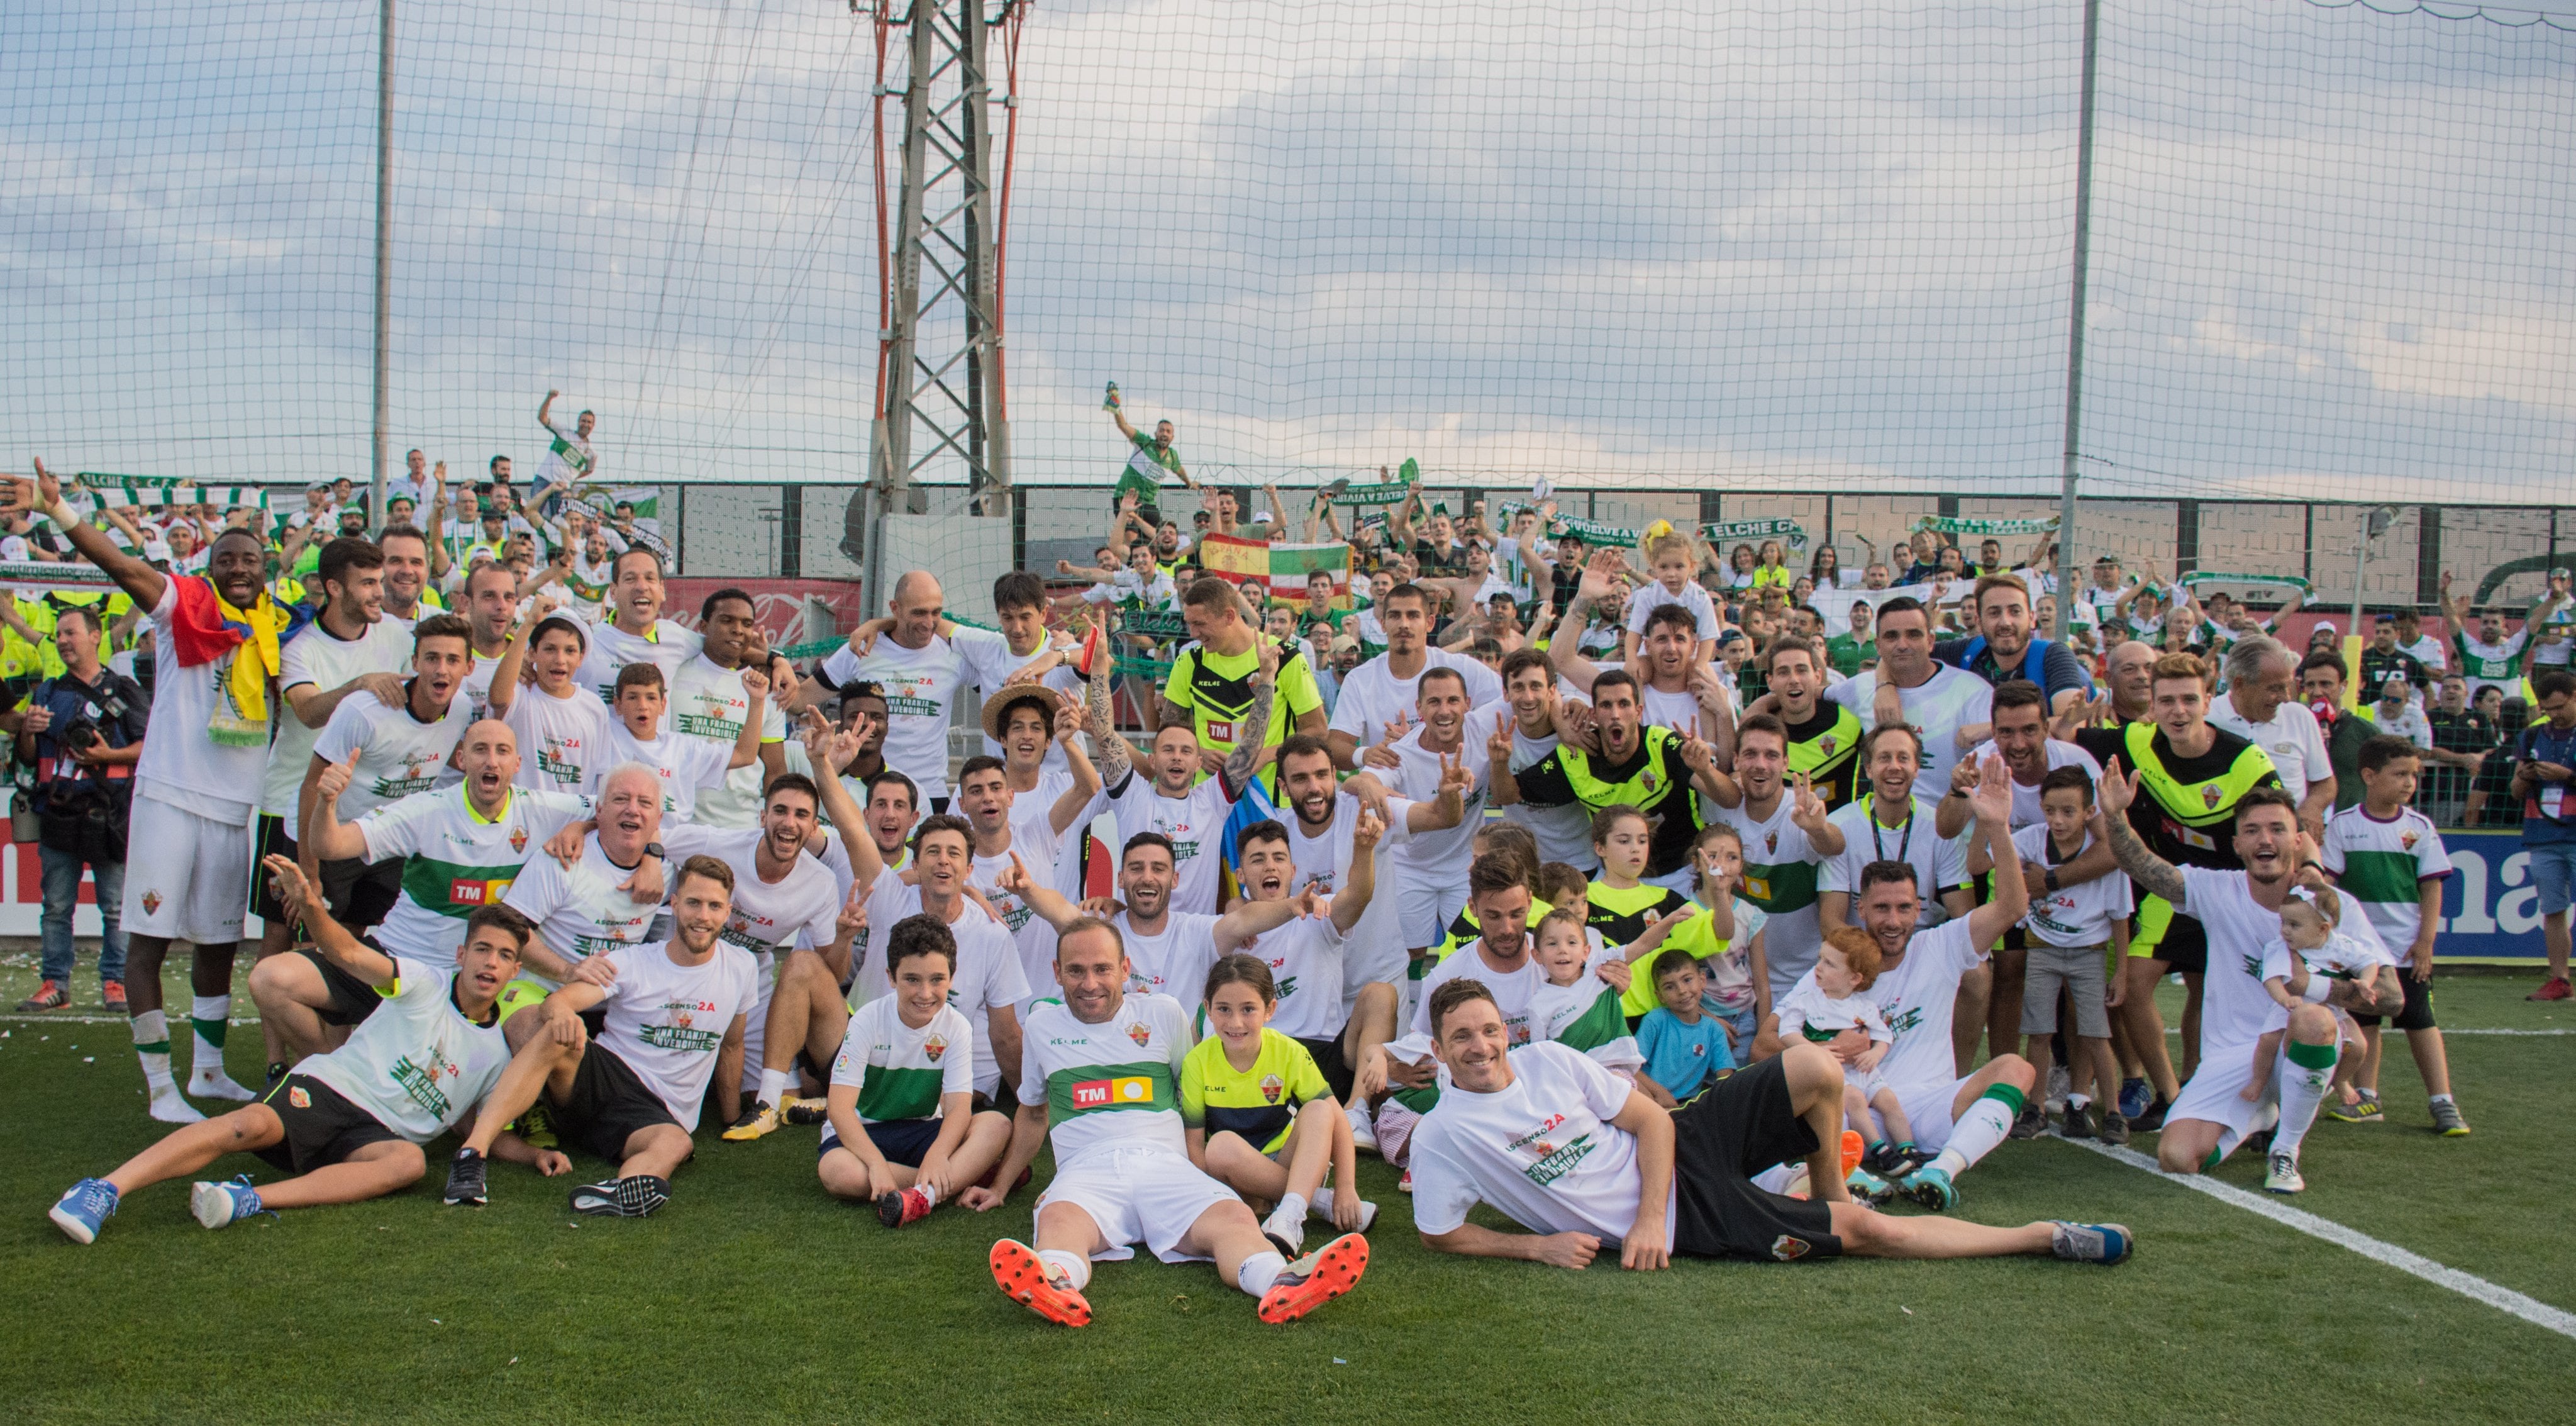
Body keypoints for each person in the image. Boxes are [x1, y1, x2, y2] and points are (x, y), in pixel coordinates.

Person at [1406, 979, 2133, 1269]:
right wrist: (1533, 1246)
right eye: (1462, 1038)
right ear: (1438, 1050)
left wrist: (1647, 1217)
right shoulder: (1445, 1132)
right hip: (1698, 1217)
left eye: (1490, 1029)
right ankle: (2043, 1234)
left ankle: (1832, 1187)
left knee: (1818, 1066)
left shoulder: (1550, 1060)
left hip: (1677, 1153)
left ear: (1509, 1029)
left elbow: (1653, 1125)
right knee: (1870, 1236)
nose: (1480, 1047)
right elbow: (1439, 1231)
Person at [49, 861, 558, 1244]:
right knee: (246, 1127)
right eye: (483, 949)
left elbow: (474, 1126)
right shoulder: (424, 982)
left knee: (408, 1163)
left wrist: (535, 1153)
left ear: (516, 972)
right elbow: (350, 953)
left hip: (377, 1138)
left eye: (506, 956)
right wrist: (313, 908)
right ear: (461, 955)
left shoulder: (497, 1052)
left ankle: (245, 1199)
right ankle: (103, 1190)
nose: (492, 962)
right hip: (334, 1092)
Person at [965, 916, 1372, 1327]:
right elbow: (1034, 1113)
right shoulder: (1041, 1026)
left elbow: (1194, 1089)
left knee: (1234, 1219)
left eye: (1102, 968)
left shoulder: (1163, 1013)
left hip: (1167, 1165)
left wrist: (1229, 1175)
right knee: (1057, 1219)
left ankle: (1280, 1281)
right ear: (1057, 972)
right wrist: (1001, 1186)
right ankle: (1056, 1282)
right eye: (1076, 970)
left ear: (1125, 968)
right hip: (1086, 1170)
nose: (1090, 982)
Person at [33, 459, 270, 1121]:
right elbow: (125, 568)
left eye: (250, 558)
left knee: (220, 942)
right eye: (227, 559)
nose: (240, 569)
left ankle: (213, 1071)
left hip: (231, 808)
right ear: (210, 567)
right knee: (149, 942)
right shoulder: (180, 608)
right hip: (168, 796)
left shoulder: (274, 630)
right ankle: (162, 1087)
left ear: (264, 567)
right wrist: (62, 513)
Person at [2098, 776, 2397, 1193]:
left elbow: (2393, 997)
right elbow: (2147, 869)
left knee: (2313, 1019)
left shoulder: (2335, 906)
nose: (2265, 839)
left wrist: (2314, 987)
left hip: (2302, 1044)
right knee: (2177, 1157)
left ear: (2298, 840)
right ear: (2238, 844)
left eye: (2277, 829)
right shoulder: (2220, 890)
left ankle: (2286, 1150)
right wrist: (2115, 815)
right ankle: (2260, 1115)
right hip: (2233, 1055)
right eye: (2252, 830)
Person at [441, 855, 758, 1216]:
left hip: (655, 1117)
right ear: (674, 905)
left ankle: (618, 1193)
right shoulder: (634, 962)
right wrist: (560, 1014)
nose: (703, 916)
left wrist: (732, 1120)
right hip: (604, 1081)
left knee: (677, 1142)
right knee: (539, 1024)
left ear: (728, 911)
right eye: (693, 903)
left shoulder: (742, 967)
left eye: (715, 906)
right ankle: (472, 1154)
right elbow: (562, 1000)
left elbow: (732, 1045)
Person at [278, 720, 592, 1066]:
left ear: (517, 764)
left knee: (546, 1036)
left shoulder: (543, 810)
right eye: (480, 750)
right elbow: (328, 845)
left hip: (478, 979)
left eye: (502, 751)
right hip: (399, 963)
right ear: (461, 759)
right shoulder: (427, 810)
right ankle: (336, 1074)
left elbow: (620, 807)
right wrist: (326, 803)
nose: (492, 761)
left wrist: (584, 826)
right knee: (272, 981)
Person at [1806, 754, 2033, 1209]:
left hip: (1932, 1108)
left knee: (2017, 1067)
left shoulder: (1940, 946)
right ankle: (1851, 1167)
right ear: (1861, 910)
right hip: (1858, 1110)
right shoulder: (1833, 969)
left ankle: (1940, 1171)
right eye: (1882, 909)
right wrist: (1827, 1050)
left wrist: (1997, 827)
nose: (1894, 921)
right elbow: (1766, 1045)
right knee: (1791, 1093)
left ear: (1919, 909)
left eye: (1905, 908)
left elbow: (2012, 907)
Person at [2071, 651, 2280, 1129]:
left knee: (2211, 991)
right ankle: (2171, 1093)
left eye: (2189, 699)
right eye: (2167, 701)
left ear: (2209, 700)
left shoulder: (2245, 760)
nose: (2178, 711)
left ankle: (2210, 1083)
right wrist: (2067, 720)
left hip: (2233, 891)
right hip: (2172, 886)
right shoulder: (2138, 741)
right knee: (2134, 986)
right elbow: (2064, 739)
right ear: (2153, 706)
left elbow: (2283, 823)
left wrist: (2308, 871)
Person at [251, 538, 412, 1034]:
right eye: (367, 583)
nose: (377, 592)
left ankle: (338, 1036)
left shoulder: (397, 636)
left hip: (359, 813)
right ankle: (276, 1060)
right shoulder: (302, 648)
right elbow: (306, 710)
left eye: (379, 581)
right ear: (332, 587)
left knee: (349, 931)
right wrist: (359, 685)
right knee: (283, 930)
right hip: (290, 805)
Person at [818, 913, 1014, 1228]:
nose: (925, 993)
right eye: (912, 979)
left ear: (952, 976)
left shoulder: (956, 1027)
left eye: (937, 979)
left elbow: (959, 1109)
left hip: (921, 1131)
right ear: (891, 977)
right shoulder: (867, 1021)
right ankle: (959, 1179)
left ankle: (922, 1195)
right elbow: (840, 1110)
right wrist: (876, 1164)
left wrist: (938, 1153)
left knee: (997, 1124)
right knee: (838, 1174)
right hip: (864, 1133)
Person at [2319, 736, 2467, 1135]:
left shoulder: (2418, 828)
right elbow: (2329, 884)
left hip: (2404, 949)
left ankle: (2443, 1102)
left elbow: (2432, 887)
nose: (2410, 783)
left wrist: (2425, 944)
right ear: (2369, 776)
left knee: (2420, 1020)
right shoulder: (2344, 826)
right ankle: (2368, 1098)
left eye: (2414, 776)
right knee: (2365, 1022)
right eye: (2400, 774)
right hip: (2362, 954)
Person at [1181, 953, 1370, 1256]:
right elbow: (1195, 1148)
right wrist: (1213, 1198)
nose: (1236, 1022)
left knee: (1320, 1109)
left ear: (1270, 1010)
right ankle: (1315, 1199)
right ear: (1208, 1010)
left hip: (1292, 1161)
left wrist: (1347, 1188)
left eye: (1248, 1009)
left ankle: (1289, 1216)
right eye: (1224, 1010)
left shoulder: (1289, 1052)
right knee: (1219, 1145)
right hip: (1233, 1171)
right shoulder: (1196, 1062)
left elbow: (1337, 1120)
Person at [298, 614, 477, 932]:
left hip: (387, 842)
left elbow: (447, 750)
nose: (442, 669)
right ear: (415, 662)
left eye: (453, 660)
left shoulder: (461, 708)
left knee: (353, 939)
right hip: (332, 836)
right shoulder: (365, 710)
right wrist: (309, 876)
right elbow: (312, 785)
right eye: (432, 658)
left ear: (469, 667)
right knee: (308, 943)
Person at [11, 604, 146, 1015]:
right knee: (56, 906)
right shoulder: (48, 690)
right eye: (58, 634)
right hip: (59, 810)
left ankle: (116, 982)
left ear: (95, 635)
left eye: (71, 632)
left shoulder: (125, 689)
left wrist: (108, 755)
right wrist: (29, 733)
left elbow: (151, 747)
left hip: (111, 813)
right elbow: (30, 758)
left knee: (115, 906)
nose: (64, 641)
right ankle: (55, 983)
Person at [1501, 670, 1726, 891]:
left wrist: (1706, 770)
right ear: (1594, 715)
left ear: (1638, 712)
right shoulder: (1576, 757)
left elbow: (1731, 799)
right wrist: (1498, 761)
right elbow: (1507, 794)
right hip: (1618, 882)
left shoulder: (1664, 744)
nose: (1616, 714)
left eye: (1624, 704)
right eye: (1606, 706)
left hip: (1682, 875)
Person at [2010, 766, 2131, 1144]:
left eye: (2069, 811)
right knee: (2039, 1031)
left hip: (2089, 952)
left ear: (2089, 812)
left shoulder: (2105, 858)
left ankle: (2112, 1113)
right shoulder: (2030, 841)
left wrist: (2122, 971)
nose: (2058, 821)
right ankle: (2036, 1109)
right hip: (2043, 948)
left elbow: (2121, 917)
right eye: (2050, 811)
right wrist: (2016, 867)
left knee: (2096, 1033)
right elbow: (1984, 862)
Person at [1699, 713, 1846, 1005]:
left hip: (1801, 975)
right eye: (1751, 754)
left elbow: (1835, 846)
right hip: (1737, 978)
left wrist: (1819, 829)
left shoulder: (1801, 811)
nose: (1761, 765)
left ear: (1786, 763)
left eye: (1772, 755)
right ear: (1737, 760)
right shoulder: (1718, 806)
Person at [505, 762, 672, 988]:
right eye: (621, 799)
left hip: (613, 1001)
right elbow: (508, 930)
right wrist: (568, 971)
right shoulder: (563, 857)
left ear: (659, 819)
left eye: (645, 803)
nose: (633, 809)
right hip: (541, 990)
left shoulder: (669, 868)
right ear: (599, 811)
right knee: (557, 1023)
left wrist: (654, 856)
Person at [1774, 929, 1914, 1183]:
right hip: (1837, 1075)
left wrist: (1875, 1054)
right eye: (1820, 959)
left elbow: (1884, 1036)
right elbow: (1787, 1031)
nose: (1818, 967)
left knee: (1889, 1101)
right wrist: (1813, 1050)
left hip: (1865, 1071)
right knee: (1855, 1100)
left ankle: (1908, 1148)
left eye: (1829, 964)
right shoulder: (1807, 1002)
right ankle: (1880, 1149)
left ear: (1854, 978)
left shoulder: (1864, 1007)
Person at [1822, 598, 1994, 803]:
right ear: (1878, 645)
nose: (1902, 645)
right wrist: (1771, 702)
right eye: (1892, 636)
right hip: (1886, 828)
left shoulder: (1972, 691)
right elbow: (1814, 693)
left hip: (1953, 830)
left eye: (1913, 635)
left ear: (1931, 641)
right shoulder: (1860, 687)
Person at [1161, 577, 1328, 783]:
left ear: (1229, 616)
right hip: (1208, 799)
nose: (1193, 634)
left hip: (1270, 801)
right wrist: (1197, 751)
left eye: (1199, 624)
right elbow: (1169, 729)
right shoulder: (1190, 661)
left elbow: (1318, 731)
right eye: (1189, 624)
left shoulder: (1283, 657)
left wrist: (1265, 756)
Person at [1326, 581, 1505, 766]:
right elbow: (1335, 746)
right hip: (1390, 787)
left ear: (1430, 623)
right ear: (1383, 624)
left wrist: (1459, 727)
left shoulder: (1461, 667)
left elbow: (1508, 701)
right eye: (1395, 616)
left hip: (1452, 779)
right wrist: (1368, 754)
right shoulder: (1360, 679)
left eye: (1413, 616)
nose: (1404, 624)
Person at [666, 588, 788, 828]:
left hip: (741, 825)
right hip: (678, 822)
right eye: (726, 621)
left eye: (747, 623)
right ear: (703, 627)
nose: (738, 630)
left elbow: (775, 771)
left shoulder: (767, 688)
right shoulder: (674, 672)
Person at [594, 662, 767, 823]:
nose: (643, 706)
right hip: (619, 835)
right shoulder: (604, 736)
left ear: (663, 705)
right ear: (617, 704)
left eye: (651, 698)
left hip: (672, 840)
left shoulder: (683, 747)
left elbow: (744, 756)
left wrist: (757, 701)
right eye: (633, 698)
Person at [2207, 635, 2335, 838]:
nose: (2286, 697)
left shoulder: (2300, 717)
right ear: (2239, 684)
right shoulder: (2207, 717)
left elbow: (2325, 783)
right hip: (2223, 840)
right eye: (2275, 688)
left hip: (2286, 843)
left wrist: (2312, 809)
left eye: (2288, 686)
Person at [487, 610, 611, 793]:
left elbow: (602, 773)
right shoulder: (521, 694)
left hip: (573, 819)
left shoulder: (595, 708)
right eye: (550, 649)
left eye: (570, 651)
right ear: (532, 653)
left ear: (581, 657)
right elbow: (497, 699)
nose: (560, 660)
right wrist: (528, 623)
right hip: (523, 815)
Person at [2512, 670, 2576, 1001]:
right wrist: (2524, 777)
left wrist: (2568, 776)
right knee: (2553, 909)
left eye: (2561, 707)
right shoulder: (2532, 736)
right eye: (2548, 709)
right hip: (2543, 834)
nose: (2555, 715)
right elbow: (2515, 791)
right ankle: (2560, 980)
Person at [1936, 574, 2091, 705]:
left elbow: (2068, 725)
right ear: (1979, 622)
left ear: (2031, 618)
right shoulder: (1968, 652)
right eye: (1994, 613)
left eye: (2015, 612)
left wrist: (1987, 730)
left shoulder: (2053, 656)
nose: (2005, 622)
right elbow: (1917, 651)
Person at [575, 547, 701, 705]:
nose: (642, 587)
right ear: (613, 591)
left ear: (662, 590)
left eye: (650, 578)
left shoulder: (679, 639)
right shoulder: (587, 642)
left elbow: (727, 650)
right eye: (630, 579)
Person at [1634, 954, 1731, 1104]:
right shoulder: (1656, 1020)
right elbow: (1631, 1067)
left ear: (1702, 980)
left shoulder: (1714, 1030)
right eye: (1669, 987)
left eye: (1687, 980)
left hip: (1690, 1105)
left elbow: (1725, 1077)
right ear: (1660, 996)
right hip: (1650, 1100)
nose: (1681, 991)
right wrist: (1660, 1093)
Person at [2440, 572, 2530, 703]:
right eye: (2485, 622)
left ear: (2503, 626)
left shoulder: (2514, 647)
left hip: (2506, 717)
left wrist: (2552, 598)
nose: (2489, 626)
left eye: (2494, 623)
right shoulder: (2470, 648)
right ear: (2479, 625)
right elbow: (2451, 618)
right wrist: (2443, 593)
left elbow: (2535, 623)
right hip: (2475, 716)